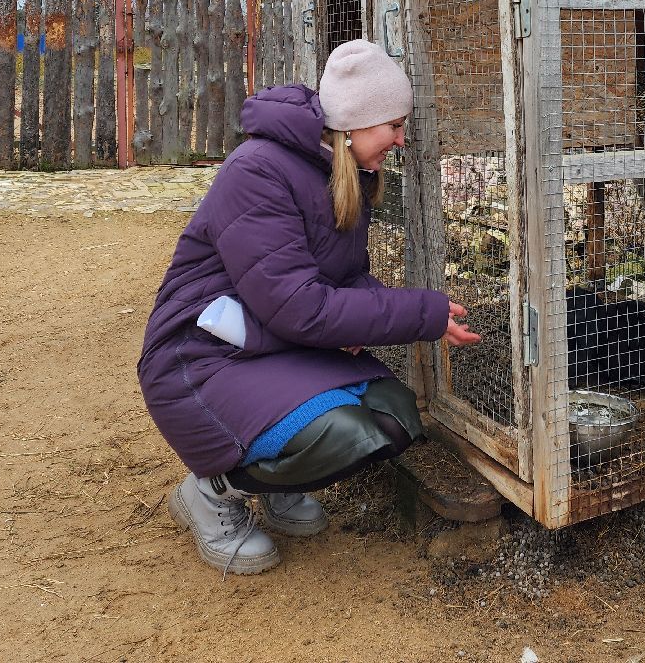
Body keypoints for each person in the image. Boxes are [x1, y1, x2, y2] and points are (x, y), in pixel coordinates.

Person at [138, 39, 479, 574]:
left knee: (394, 415)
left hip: (271, 344)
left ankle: (278, 488)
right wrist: (421, 314)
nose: (400, 138)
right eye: (393, 125)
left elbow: (342, 282)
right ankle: (212, 492)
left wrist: (431, 315)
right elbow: (301, 308)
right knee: (345, 433)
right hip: (202, 357)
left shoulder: (339, 172)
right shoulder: (258, 171)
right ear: (355, 124)